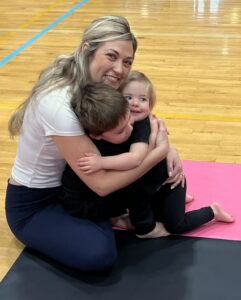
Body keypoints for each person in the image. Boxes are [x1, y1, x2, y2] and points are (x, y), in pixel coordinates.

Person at [5, 15, 193, 273]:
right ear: (86, 50)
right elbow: (102, 184)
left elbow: (135, 120)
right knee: (99, 254)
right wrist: (158, 152)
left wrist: (171, 148)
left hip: (74, 187)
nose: (119, 69)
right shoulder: (58, 103)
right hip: (36, 204)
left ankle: (112, 215)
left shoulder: (100, 85)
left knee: (140, 185)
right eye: (112, 56)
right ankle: (109, 217)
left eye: (127, 62)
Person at [62, 73, 234, 239]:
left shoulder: (141, 125)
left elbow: (136, 158)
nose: (134, 104)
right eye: (128, 98)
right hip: (150, 184)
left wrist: (101, 162)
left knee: (176, 225)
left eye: (142, 99)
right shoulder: (111, 122)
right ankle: (171, 201)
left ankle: (212, 211)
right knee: (139, 197)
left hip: (165, 181)